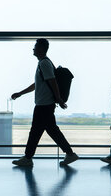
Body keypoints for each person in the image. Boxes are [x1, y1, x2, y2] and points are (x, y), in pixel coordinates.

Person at [11, 39, 79, 167]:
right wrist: (20, 93)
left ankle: (28, 158)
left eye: (35, 47)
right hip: (44, 105)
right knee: (50, 131)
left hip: (44, 105)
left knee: (37, 132)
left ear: (41, 49)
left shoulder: (44, 64)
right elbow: (37, 84)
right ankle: (69, 154)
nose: (33, 49)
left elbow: (53, 82)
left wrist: (59, 99)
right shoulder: (43, 64)